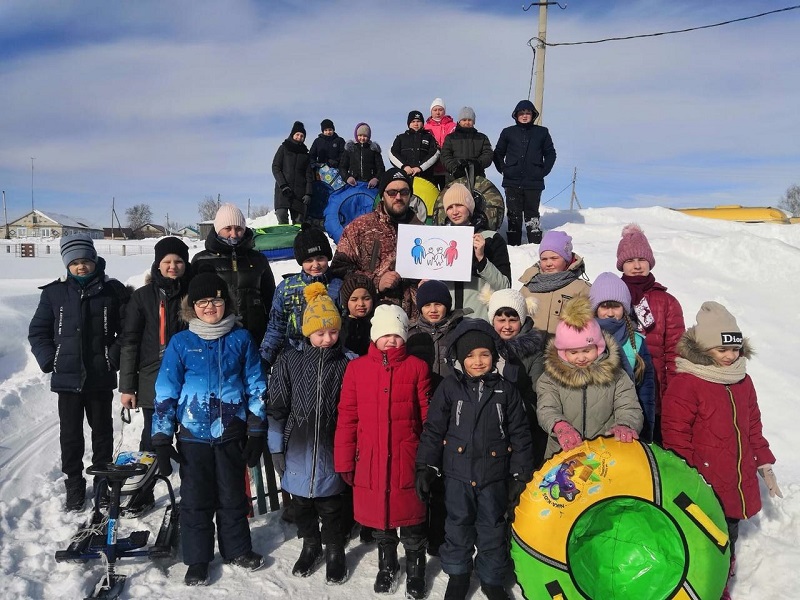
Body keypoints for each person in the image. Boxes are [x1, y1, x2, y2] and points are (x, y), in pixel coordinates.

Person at [152, 272, 267, 586]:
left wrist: (256, 431)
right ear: (192, 306)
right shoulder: (181, 342)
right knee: (195, 499)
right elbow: (165, 390)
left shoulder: (241, 338)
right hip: (193, 436)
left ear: (225, 302)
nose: (209, 307)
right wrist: (161, 437)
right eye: (202, 302)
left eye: (215, 300)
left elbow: (256, 385)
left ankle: (238, 550)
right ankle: (198, 560)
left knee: (233, 496)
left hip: (231, 431)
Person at [661, 301, 781, 600]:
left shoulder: (743, 381)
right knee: (702, 539)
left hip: (735, 478)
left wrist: (764, 463)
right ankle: (698, 584)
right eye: (721, 350)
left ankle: (721, 582)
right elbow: (675, 435)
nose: (730, 356)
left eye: (735, 349)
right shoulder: (687, 382)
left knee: (729, 535)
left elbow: (753, 425)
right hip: (703, 482)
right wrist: (690, 478)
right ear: (704, 349)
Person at [416, 319, 533, 600]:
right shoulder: (450, 388)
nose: (477, 361)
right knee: (457, 526)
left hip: (493, 476)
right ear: (459, 359)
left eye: (484, 354)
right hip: (457, 476)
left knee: (493, 528)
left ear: (494, 356)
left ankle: (492, 579)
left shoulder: (506, 391)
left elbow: (520, 435)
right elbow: (434, 429)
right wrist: (426, 466)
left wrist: (519, 475)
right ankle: (458, 574)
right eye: (470, 356)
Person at [334, 304, 431, 598]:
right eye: (385, 335)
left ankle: (416, 568)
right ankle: (387, 565)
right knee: (381, 522)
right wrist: (345, 460)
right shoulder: (357, 369)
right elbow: (347, 416)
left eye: (397, 335)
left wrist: (429, 460)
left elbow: (427, 417)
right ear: (375, 337)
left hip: (407, 457)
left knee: (412, 521)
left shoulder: (417, 368)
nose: (391, 340)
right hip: (371, 458)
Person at [28, 234, 130, 512]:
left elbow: (127, 330)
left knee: (102, 433)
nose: (81, 267)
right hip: (67, 378)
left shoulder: (113, 291)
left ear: (95, 260)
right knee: (70, 435)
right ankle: (74, 483)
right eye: (75, 262)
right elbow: (38, 332)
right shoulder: (54, 293)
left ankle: (102, 482)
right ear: (66, 265)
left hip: (99, 376)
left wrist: (113, 356)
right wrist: (51, 359)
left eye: (86, 260)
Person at [267, 283, 350, 584]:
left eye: (332, 331)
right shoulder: (289, 362)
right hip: (297, 450)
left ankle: (335, 550)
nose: (327, 338)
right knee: (301, 505)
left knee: (331, 507)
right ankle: (311, 544)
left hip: (331, 450)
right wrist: (276, 448)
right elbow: (276, 409)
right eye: (320, 332)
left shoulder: (347, 364)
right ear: (307, 332)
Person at [536, 296, 643, 460]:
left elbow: (629, 406)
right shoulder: (550, 378)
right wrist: (559, 425)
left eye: (586, 351)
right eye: (573, 352)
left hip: (606, 454)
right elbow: (547, 408)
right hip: (562, 454)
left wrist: (625, 424)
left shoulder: (617, 375)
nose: (581, 358)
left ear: (598, 347)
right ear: (563, 352)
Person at [119, 237, 192, 458]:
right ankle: (145, 491)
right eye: (167, 261)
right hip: (153, 378)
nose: (172, 266)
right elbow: (130, 342)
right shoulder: (143, 297)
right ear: (157, 264)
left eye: (178, 261)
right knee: (153, 437)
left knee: (190, 436)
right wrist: (127, 387)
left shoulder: (193, 293)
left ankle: (192, 488)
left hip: (189, 376)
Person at [616, 223, 685, 441]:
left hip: (656, 386)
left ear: (650, 262)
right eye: (629, 261)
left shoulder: (667, 302)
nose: (636, 266)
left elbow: (676, 351)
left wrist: (672, 391)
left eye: (641, 260)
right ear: (621, 265)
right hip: (619, 384)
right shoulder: (611, 298)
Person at [329, 168, 423, 318]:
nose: (398, 197)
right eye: (392, 192)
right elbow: (339, 269)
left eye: (404, 192)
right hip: (375, 319)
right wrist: (376, 281)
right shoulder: (359, 227)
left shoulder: (423, 231)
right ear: (382, 195)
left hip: (416, 321)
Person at [191, 203, 276, 348]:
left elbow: (270, 297)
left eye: (238, 229)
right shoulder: (201, 260)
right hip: (216, 335)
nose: (233, 234)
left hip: (254, 333)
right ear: (218, 229)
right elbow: (193, 301)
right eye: (227, 228)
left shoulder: (258, 259)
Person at [259, 224, 342, 369]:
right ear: (300, 261)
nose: (315, 265)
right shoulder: (286, 288)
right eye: (309, 260)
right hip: (295, 359)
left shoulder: (339, 286)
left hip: (331, 360)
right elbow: (275, 328)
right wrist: (265, 361)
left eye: (320, 258)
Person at [485, 287, 548, 468]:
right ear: (492, 320)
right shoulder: (483, 347)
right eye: (501, 320)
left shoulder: (534, 350)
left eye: (513, 320)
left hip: (522, 422)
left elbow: (538, 389)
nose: (507, 326)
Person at [589, 272, 656, 442]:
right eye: (604, 306)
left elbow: (646, 392)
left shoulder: (636, 343)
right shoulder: (582, 338)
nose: (610, 313)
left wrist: (646, 432)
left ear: (625, 309)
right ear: (595, 308)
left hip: (625, 425)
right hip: (590, 424)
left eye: (616, 307)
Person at [441, 183, 511, 319]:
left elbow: (505, 287)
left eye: (459, 205)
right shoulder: (440, 240)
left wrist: (482, 260)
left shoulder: (491, 238)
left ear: (470, 207)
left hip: (480, 320)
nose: (454, 211)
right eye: (449, 207)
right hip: (447, 323)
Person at [492, 100, 556, 245]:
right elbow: (498, 153)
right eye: (522, 113)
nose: (525, 116)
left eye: (528, 113)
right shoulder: (508, 132)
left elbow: (551, 153)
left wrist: (542, 172)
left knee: (532, 214)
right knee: (513, 214)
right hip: (512, 180)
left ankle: (535, 245)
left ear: (533, 115)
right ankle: (513, 246)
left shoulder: (542, 132)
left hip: (534, 181)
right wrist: (504, 170)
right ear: (516, 115)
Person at [519, 230, 591, 335]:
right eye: (544, 259)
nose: (548, 263)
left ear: (566, 259)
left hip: (564, 348)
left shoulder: (581, 288)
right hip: (530, 348)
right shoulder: (529, 285)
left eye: (554, 258)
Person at [272, 120, 314, 225]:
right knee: (281, 216)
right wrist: (283, 185)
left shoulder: (305, 154)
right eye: (297, 135)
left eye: (302, 136)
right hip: (283, 191)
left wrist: (308, 193)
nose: (299, 137)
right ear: (292, 135)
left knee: (298, 222)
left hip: (299, 194)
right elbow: (276, 167)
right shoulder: (284, 148)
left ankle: (297, 241)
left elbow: (309, 175)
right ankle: (283, 240)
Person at [440, 107, 494, 185]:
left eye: (469, 120)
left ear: (473, 122)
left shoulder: (482, 138)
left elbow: (488, 154)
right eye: (464, 120)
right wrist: (455, 169)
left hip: (477, 179)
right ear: (459, 121)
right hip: (454, 178)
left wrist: (477, 164)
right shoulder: (450, 138)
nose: (467, 122)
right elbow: (445, 155)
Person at [389, 110, 440, 184]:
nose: (416, 124)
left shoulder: (429, 137)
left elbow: (436, 153)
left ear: (422, 123)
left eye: (418, 121)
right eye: (413, 121)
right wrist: (404, 167)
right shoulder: (401, 137)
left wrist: (420, 167)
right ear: (409, 124)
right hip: (404, 178)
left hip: (425, 178)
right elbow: (392, 153)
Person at [338, 272, 377, 357]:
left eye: (366, 298)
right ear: (346, 302)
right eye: (354, 299)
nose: (361, 304)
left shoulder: (378, 323)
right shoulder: (340, 327)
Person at [339, 122, 385, 188]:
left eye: (365, 136)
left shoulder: (374, 150)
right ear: (356, 135)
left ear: (369, 136)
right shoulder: (350, 149)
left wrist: (376, 179)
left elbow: (381, 167)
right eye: (360, 135)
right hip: (353, 183)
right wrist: (347, 177)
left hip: (370, 184)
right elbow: (342, 167)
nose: (362, 138)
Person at [424, 97, 456, 190]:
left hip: (447, 169)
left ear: (444, 111)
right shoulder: (426, 128)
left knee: (446, 195)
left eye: (440, 110)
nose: (437, 112)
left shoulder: (453, 126)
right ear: (431, 111)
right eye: (435, 110)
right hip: (431, 168)